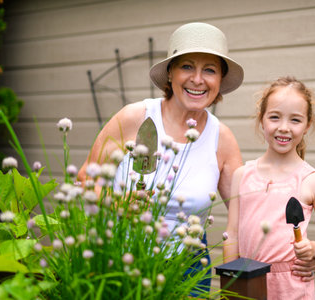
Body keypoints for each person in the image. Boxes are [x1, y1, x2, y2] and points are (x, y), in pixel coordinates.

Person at [78, 22, 244, 292]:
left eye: (210, 70)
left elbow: (245, 212)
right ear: (170, 73)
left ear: (220, 81)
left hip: (188, 267)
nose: (198, 79)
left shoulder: (222, 139)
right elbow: (85, 179)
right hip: (119, 258)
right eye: (187, 66)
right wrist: (117, 203)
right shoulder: (136, 118)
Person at [223, 76, 315, 299]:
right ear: (262, 120)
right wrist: (230, 281)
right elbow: (232, 234)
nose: (284, 128)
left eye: (295, 120)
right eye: (275, 117)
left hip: (292, 285)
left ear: (307, 126)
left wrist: (313, 249)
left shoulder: (312, 181)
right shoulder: (242, 175)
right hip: (248, 281)